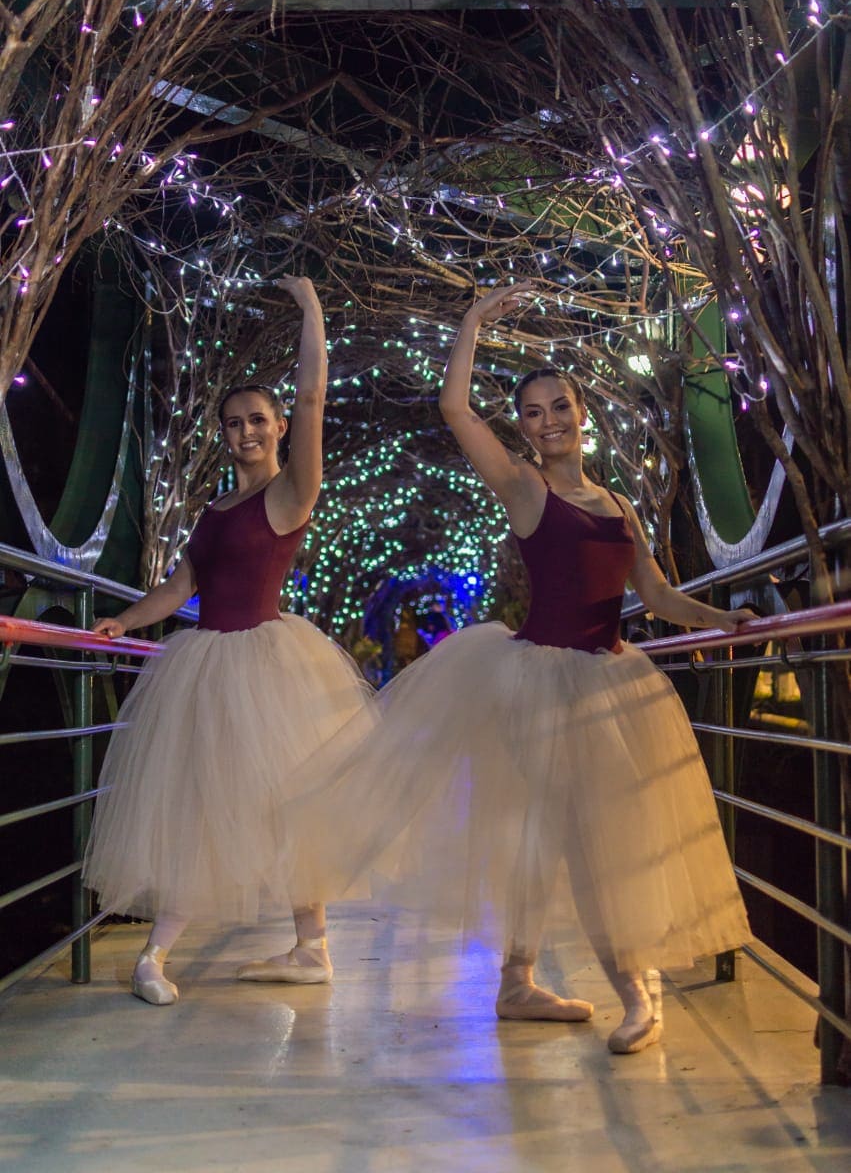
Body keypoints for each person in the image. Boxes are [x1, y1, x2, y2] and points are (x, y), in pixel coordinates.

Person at [282, 279, 754, 1055]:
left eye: (559, 407)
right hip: (537, 681)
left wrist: (721, 620)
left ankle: (579, 986)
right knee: (556, 836)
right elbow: (454, 410)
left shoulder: (616, 504)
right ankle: (570, 987)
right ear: (526, 431)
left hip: (609, 679)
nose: (548, 422)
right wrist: (471, 319)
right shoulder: (523, 487)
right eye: (533, 413)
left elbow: (658, 596)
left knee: (586, 836)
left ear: (581, 415)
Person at [83, 276, 372, 1005]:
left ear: (276, 428)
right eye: (232, 423)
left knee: (284, 807)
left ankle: (308, 948)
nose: (243, 432)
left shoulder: (289, 492)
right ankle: (159, 954)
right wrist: (123, 622)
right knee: (205, 809)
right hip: (207, 662)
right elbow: (180, 589)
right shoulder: (216, 509)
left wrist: (311, 310)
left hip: (266, 666)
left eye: (255, 420)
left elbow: (311, 400)